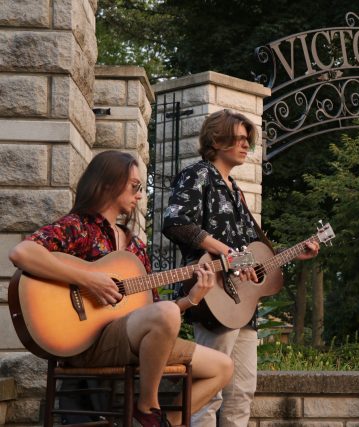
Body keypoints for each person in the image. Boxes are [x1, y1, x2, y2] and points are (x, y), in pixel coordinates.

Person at [9, 150, 234, 427]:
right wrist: (88, 279)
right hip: (88, 342)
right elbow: (23, 253)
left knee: (222, 367)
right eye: (135, 186)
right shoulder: (78, 227)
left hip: (129, 339)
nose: (140, 195)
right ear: (107, 183)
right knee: (165, 315)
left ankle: (163, 423)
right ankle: (147, 407)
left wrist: (191, 298)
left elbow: (157, 315)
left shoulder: (135, 246)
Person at [162, 109, 319, 427]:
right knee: (209, 392)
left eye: (248, 140)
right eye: (239, 139)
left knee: (242, 392)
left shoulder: (236, 191)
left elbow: (252, 254)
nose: (247, 145)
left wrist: (292, 253)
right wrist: (226, 253)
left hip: (242, 305)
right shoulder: (198, 175)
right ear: (217, 140)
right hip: (212, 295)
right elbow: (175, 221)